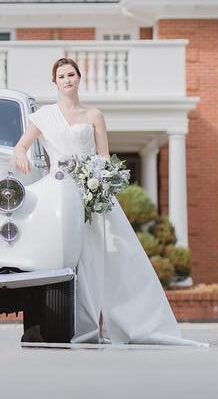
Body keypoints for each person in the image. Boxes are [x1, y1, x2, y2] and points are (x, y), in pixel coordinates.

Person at [11, 57, 199, 345]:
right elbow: (21, 146)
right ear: (55, 82)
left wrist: (99, 182)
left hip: (91, 193)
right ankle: (67, 322)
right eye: (61, 76)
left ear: (79, 77)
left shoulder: (94, 115)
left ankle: (106, 323)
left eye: (71, 74)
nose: (67, 80)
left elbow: (103, 156)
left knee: (100, 256)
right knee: (62, 256)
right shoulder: (44, 116)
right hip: (57, 193)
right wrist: (21, 156)